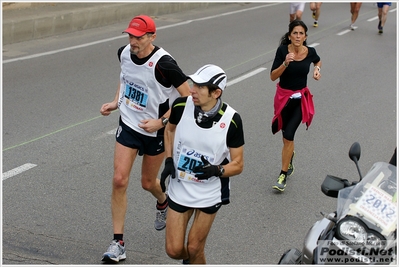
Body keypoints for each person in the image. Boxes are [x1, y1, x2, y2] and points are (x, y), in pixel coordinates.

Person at [100, 14, 191, 263]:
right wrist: (116, 102)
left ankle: (163, 201)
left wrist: (161, 122)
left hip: (156, 131)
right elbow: (125, 77)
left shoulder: (165, 65)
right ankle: (118, 242)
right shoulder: (124, 53)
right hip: (129, 124)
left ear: (152, 36)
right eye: (130, 36)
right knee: (119, 180)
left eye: (138, 37)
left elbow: (188, 98)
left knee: (148, 183)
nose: (133, 42)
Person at [159, 64, 245, 264]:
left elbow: (238, 164)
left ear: (216, 92)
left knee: (195, 247)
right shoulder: (181, 106)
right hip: (181, 185)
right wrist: (169, 160)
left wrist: (217, 170)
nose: (192, 90)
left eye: (199, 86)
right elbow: (169, 130)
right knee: (173, 250)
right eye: (193, 84)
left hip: (209, 191)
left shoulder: (232, 120)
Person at [270, 20, 322, 192]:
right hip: (283, 99)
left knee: (290, 135)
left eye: (301, 33)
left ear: (305, 36)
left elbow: (318, 61)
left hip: (300, 100)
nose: (298, 36)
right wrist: (285, 63)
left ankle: (282, 175)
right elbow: (272, 76)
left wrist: (317, 70)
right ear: (290, 35)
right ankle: (289, 155)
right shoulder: (282, 51)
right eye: (295, 33)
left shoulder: (310, 52)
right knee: (286, 137)